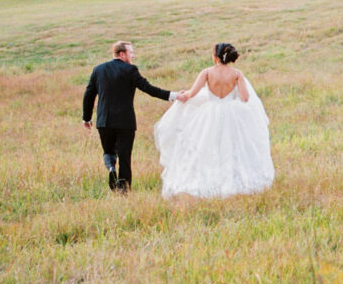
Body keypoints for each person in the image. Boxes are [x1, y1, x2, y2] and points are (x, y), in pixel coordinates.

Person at [154, 43, 274, 199]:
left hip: (210, 113)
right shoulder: (237, 74)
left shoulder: (207, 72)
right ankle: (231, 178)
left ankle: (210, 178)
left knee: (208, 144)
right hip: (232, 114)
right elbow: (245, 98)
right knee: (232, 146)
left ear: (215, 56)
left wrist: (184, 94)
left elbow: (192, 93)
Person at [83, 41, 185, 193]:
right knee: (125, 156)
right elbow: (148, 88)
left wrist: (87, 118)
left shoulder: (98, 69)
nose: (133, 55)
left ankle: (111, 168)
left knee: (109, 151)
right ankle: (123, 189)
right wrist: (174, 96)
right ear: (122, 54)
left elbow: (89, 95)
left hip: (104, 121)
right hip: (125, 122)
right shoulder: (130, 70)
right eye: (131, 53)